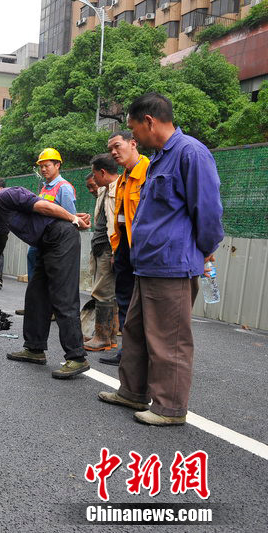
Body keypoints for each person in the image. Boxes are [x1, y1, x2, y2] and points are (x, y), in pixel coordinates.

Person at [98, 92, 223, 426]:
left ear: (149, 121)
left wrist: (204, 249)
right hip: (147, 263)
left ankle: (170, 407)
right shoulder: (157, 159)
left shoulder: (190, 153)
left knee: (170, 339)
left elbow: (208, 212)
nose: (132, 135)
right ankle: (132, 391)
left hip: (173, 264)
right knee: (136, 331)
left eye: (133, 128)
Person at [0, 182, 93, 379]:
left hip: (60, 238)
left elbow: (43, 206)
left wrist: (72, 218)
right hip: (45, 243)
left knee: (63, 296)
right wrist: (70, 215)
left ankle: (77, 357)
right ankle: (35, 349)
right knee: (36, 295)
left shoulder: (5, 196)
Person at [100, 130, 150, 366]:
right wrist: (116, 249)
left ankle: (144, 354)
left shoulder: (148, 172)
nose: (113, 152)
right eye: (110, 148)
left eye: (117, 146)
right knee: (124, 299)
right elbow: (119, 218)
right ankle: (125, 352)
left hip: (144, 249)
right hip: (123, 248)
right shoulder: (121, 179)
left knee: (145, 303)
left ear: (133, 143)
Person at [16, 148, 77, 316]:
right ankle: (35, 306)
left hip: (54, 241)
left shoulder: (63, 188)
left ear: (57, 165)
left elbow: (70, 218)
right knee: (36, 273)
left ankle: (48, 310)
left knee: (51, 276)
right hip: (40, 240)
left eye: (47, 165)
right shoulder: (45, 188)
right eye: (41, 166)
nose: (43, 169)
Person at [84, 154, 118, 353]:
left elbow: (116, 224)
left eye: (95, 175)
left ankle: (102, 337)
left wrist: (115, 251)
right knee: (105, 292)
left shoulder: (118, 189)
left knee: (103, 293)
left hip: (108, 248)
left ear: (102, 172)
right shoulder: (104, 191)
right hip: (100, 247)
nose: (94, 181)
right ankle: (109, 337)